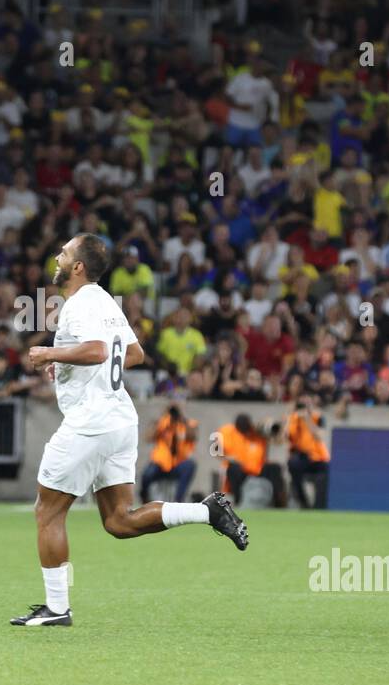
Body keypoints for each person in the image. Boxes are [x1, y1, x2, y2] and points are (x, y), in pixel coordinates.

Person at [14, 233, 247, 628]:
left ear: (78, 267)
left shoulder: (80, 304)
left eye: (64, 253)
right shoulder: (106, 302)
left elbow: (100, 351)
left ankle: (56, 608)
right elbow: (133, 353)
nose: (57, 256)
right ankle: (206, 511)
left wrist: (50, 353)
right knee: (119, 521)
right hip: (119, 420)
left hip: (91, 423)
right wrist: (69, 364)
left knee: (48, 512)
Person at [217, 413, 286, 508]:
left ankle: (278, 502)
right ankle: (238, 500)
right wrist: (228, 458)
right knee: (232, 468)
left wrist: (271, 426)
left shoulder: (257, 431)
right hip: (241, 469)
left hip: (259, 467)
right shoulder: (227, 432)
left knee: (275, 468)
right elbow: (215, 451)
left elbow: (279, 441)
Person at [139, 404, 198, 502]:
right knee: (147, 474)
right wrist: (162, 421)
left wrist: (182, 418)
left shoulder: (185, 424)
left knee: (190, 465)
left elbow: (193, 436)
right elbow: (148, 438)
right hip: (160, 465)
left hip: (178, 464)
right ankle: (144, 497)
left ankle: (178, 500)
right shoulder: (162, 423)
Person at [286, 394, 330, 509]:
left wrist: (307, 419)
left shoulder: (318, 417)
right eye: (301, 405)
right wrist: (290, 418)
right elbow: (284, 437)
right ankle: (303, 503)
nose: (303, 408)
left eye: (307, 405)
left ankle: (319, 507)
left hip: (318, 458)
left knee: (325, 472)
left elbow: (319, 436)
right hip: (301, 457)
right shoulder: (293, 419)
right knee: (292, 464)